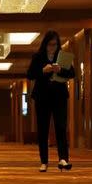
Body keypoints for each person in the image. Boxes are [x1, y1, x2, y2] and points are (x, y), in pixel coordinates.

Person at [27, 30, 75, 172]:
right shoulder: (38, 57)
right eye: (50, 44)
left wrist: (60, 70)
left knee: (61, 127)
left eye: (55, 44)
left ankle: (63, 159)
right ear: (45, 44)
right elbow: (30, 74)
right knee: (43, 129)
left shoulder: (62, 56)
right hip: (42, 97)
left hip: (59, 96)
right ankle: (44, 161)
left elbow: (72, 73)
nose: (52, 47)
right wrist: (43, 70)